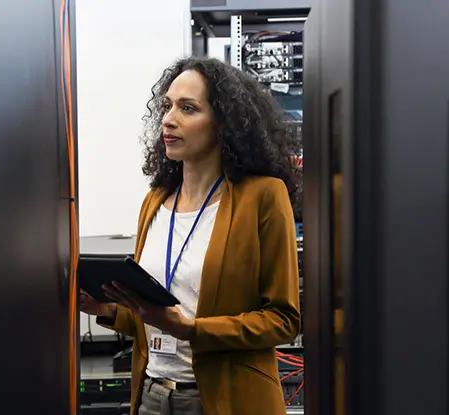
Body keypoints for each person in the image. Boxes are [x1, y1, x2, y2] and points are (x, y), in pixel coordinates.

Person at [80, 57, 301, 415]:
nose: (168, 119)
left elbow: (283, 320)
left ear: (222, 125)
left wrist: (193, 329)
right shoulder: (155, 200)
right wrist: (104, 308)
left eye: (188, 108)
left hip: (225, 400)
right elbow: (150, 317)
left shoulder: (263, 196)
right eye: (167, 106)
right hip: (152, 396)